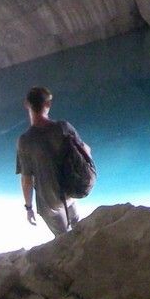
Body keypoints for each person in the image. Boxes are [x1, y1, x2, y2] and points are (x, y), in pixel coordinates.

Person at [16, 86, 88, 236]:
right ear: (48, 105)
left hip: (49, 201)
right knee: (80, 231)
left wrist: (29, 208)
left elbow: (27, 181)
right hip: (70, 191)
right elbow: (86, 151)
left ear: (26, 104)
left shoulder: (25, 141)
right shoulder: (63, 127)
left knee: (63, 240)